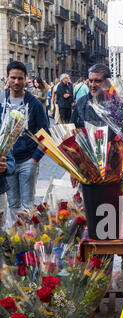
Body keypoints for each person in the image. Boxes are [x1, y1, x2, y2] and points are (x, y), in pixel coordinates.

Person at [0, 61, 49, 220]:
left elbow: (45, 134)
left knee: (27, 204)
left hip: (28, 160)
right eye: (13, 77)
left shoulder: (34, 104)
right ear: (7, 78)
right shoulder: (1, 102)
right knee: (13, 203)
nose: (16, 82)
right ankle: (18, 240)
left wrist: (35, 158)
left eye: (20, 78)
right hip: (7, 162)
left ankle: (30, 239)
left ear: (25, 79)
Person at [71, 63, 112, 128]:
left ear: (107, 82)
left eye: (97, 81)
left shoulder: (116, 104)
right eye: (90, 81)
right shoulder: (81, 102)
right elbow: (72, 128)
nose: (93, 85)